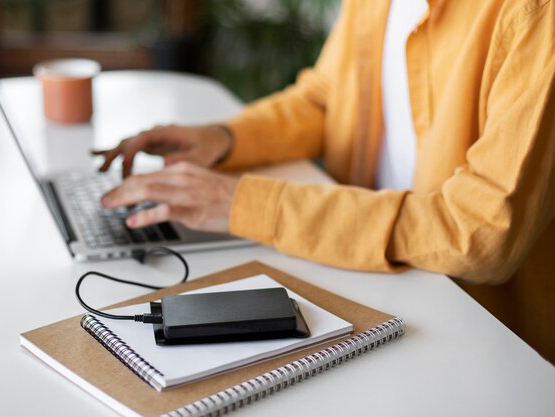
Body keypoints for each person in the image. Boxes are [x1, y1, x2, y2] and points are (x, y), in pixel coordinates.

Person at [93, 0, 555, 362]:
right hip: (370, 280)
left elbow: (480, 229)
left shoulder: (538, 14)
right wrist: (225, 138)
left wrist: (249, 203)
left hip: (485, 336)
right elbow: (327, 98)